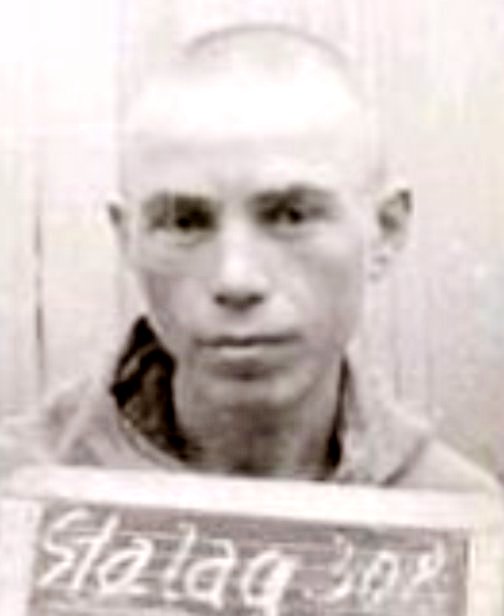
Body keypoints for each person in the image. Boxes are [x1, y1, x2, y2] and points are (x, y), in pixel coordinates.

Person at [39, 25, 499, 492]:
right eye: (184, 223)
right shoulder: (18, 495)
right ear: (127, 239)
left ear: (386, 229)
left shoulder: (465, 516)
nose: (236, 279)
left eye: (291, 216)